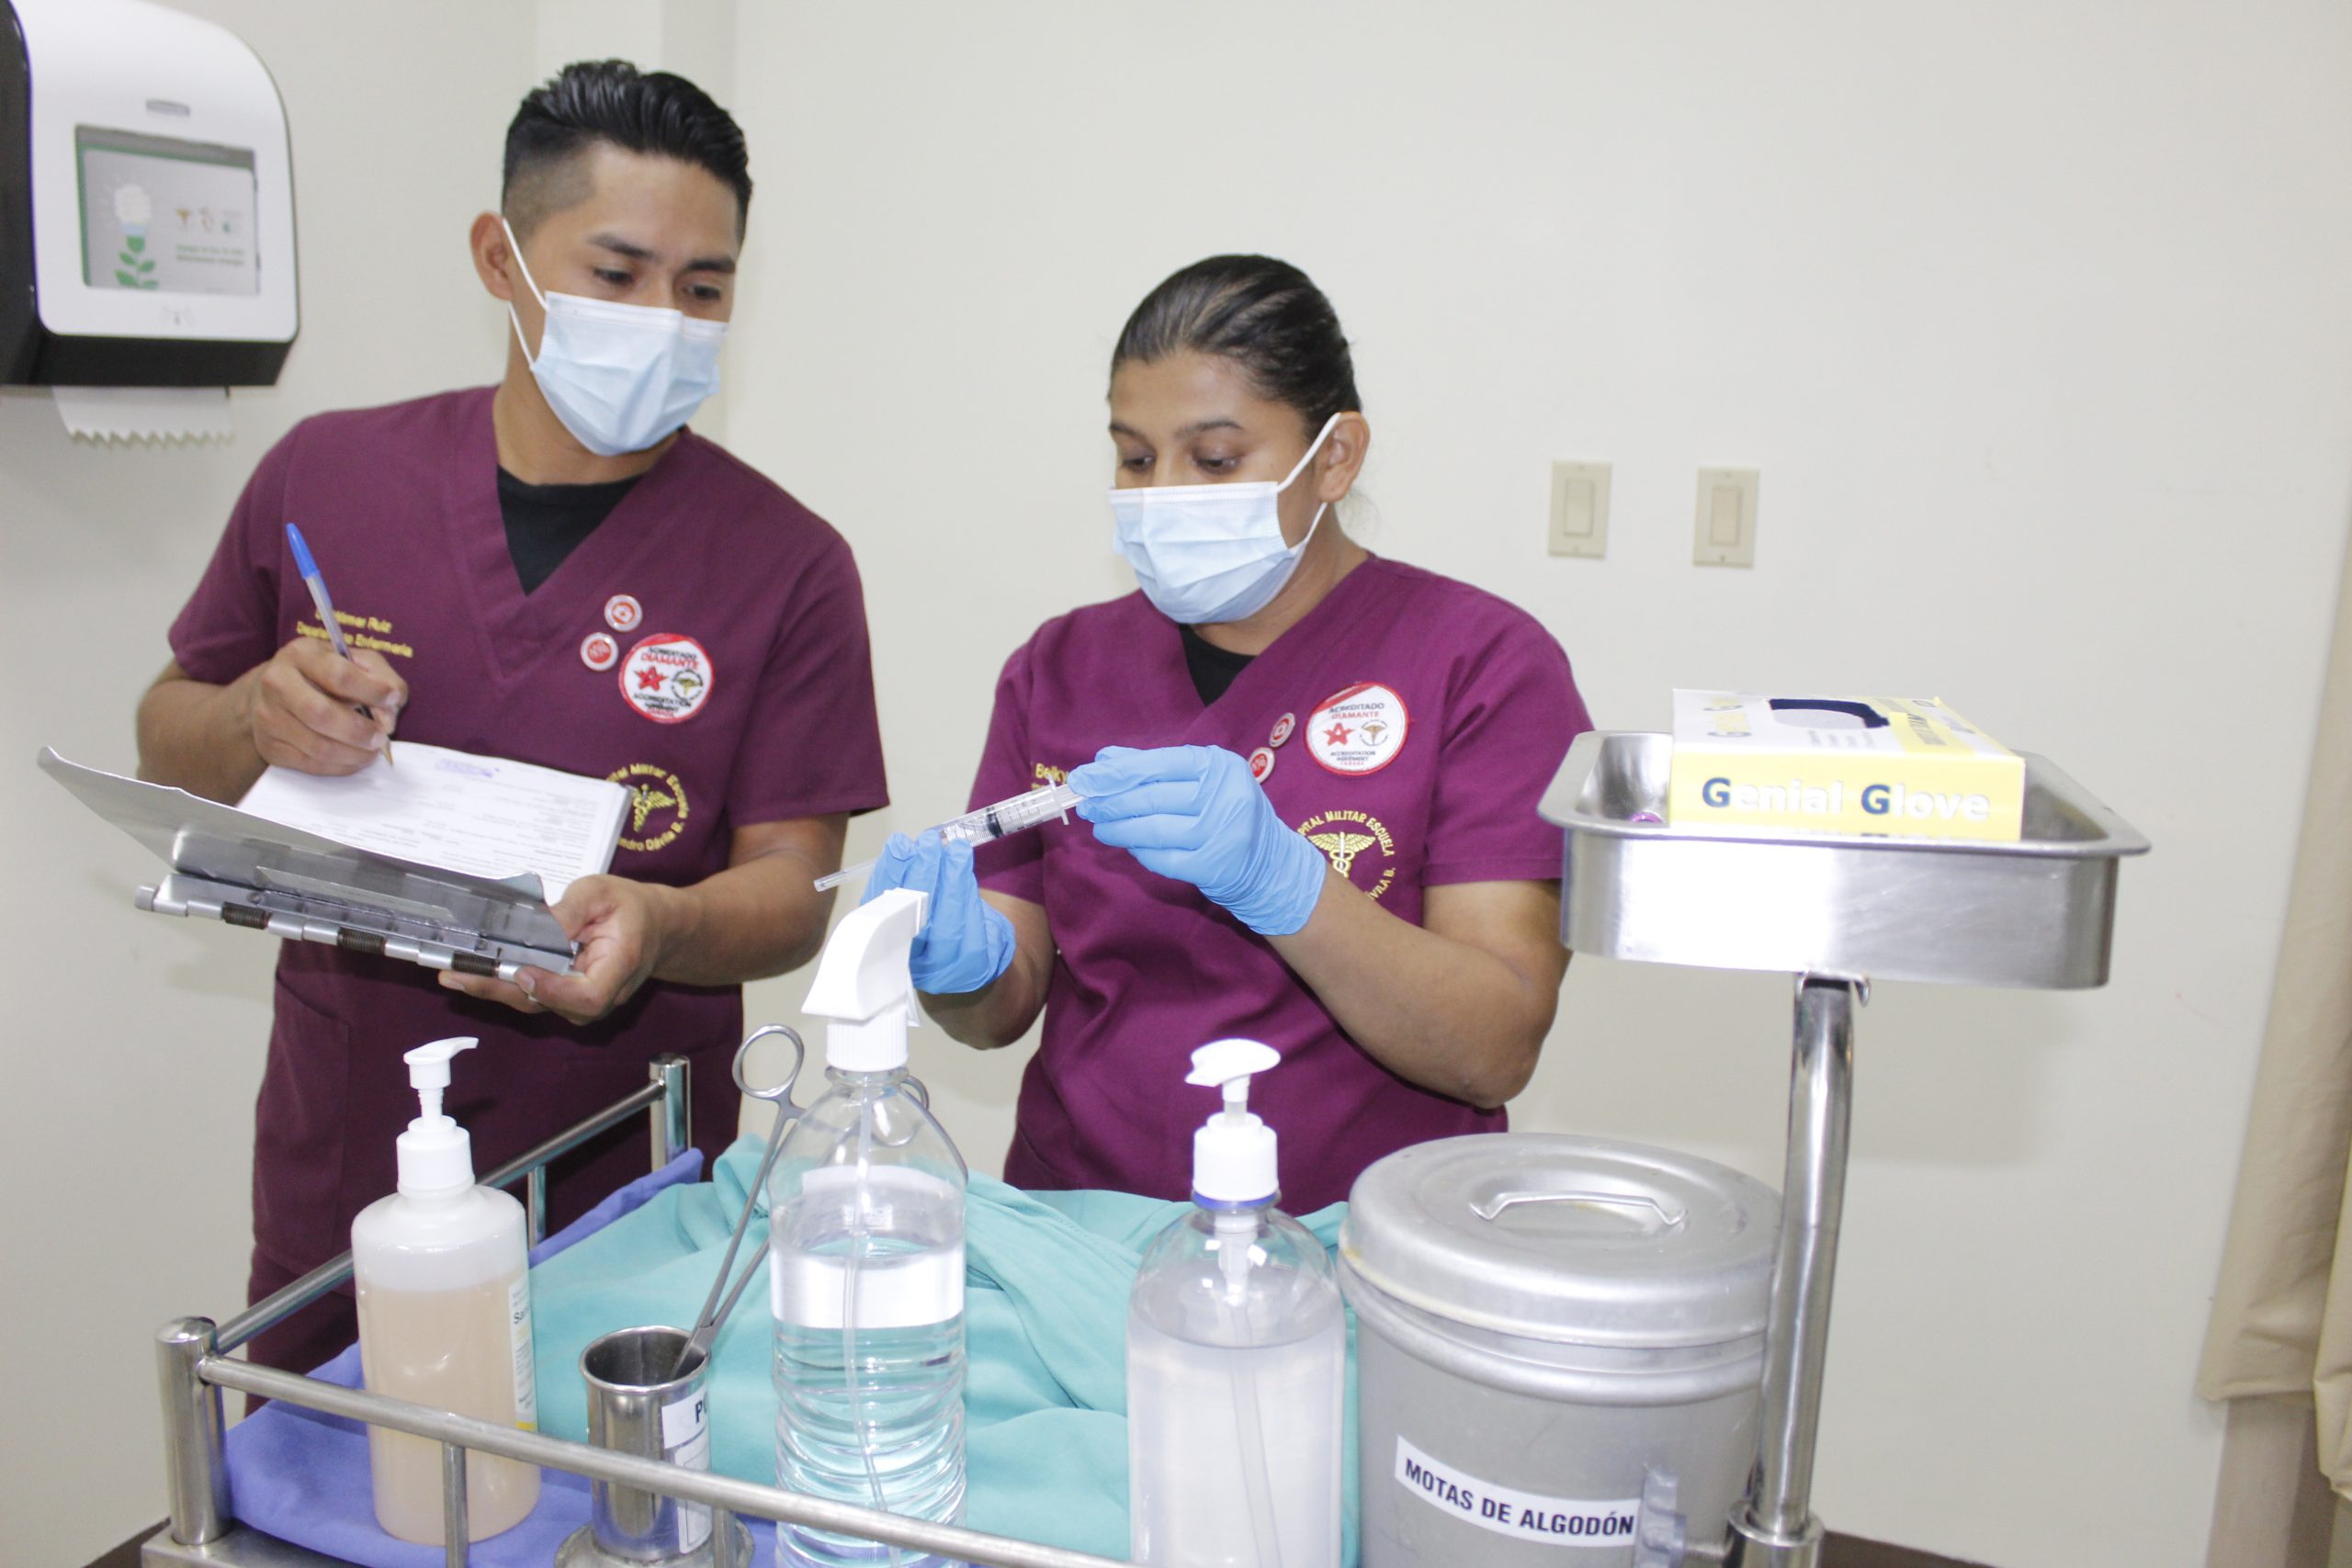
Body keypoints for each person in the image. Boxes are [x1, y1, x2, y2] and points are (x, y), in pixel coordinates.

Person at [135, 62, 887, 1371]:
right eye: (618, 273)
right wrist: (258, 715)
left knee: (616, 1463)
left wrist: (660, 923)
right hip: (353, 1152)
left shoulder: (787, 561)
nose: (664, 320)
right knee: (328, 1459)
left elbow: (794, 888)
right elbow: (167, 732)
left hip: (635, 1170)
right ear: (502, 257)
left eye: (703, 289)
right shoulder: (330, 475)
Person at [868, 255, 1589, 1211]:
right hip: (1081, 1220)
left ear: (1334, 457)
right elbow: (997, 1011)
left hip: (1357, 1238)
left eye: (1212, 460)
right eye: (1135, 459)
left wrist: (1285, 885)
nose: (1163, 493)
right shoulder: (1060, 666)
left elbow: (1493, 1048)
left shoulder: (1480, 664)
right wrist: (959, 968)